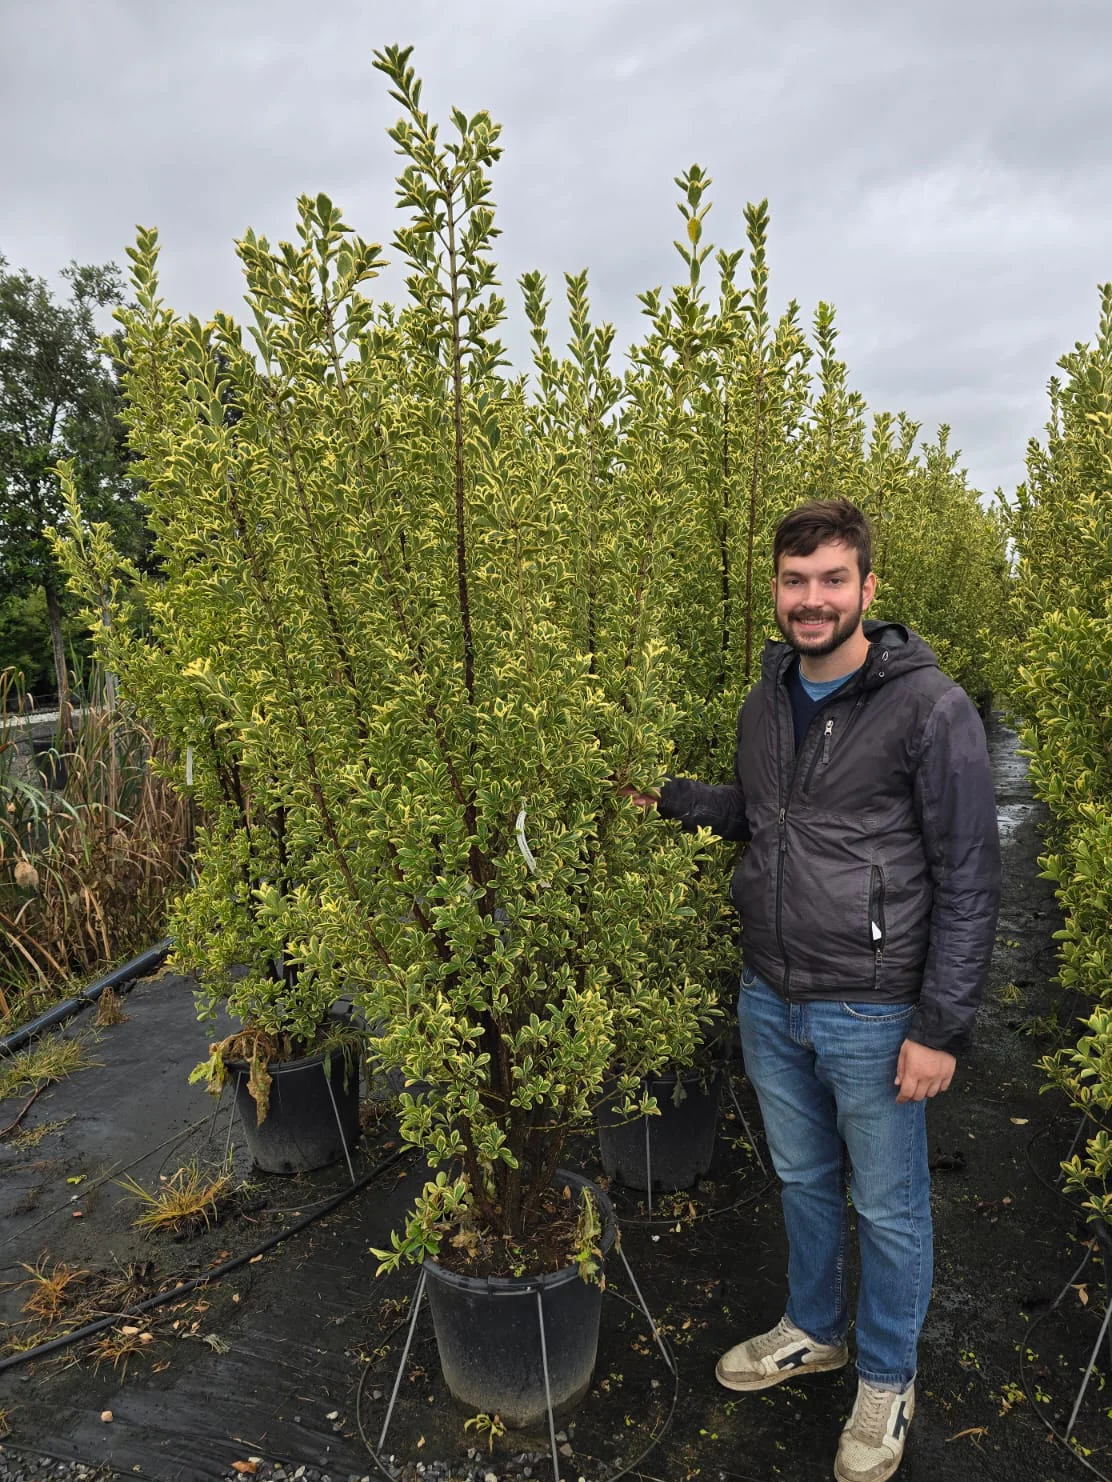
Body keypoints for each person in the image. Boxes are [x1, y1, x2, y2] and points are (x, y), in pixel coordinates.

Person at [645, 498, 1001, 1482]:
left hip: (874, 1005)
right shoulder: (764, 696)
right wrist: (680, 800)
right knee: (801, 1180)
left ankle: (884, 1378)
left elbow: (968, 874)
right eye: (794, 581)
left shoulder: (929, 709)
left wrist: (941, 1026)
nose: (811, 600)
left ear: (865, 590)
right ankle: (811, 1328)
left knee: (887, 1206)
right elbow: (772, 819)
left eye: (830, 580)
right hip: (771, 995)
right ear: (775, 589)